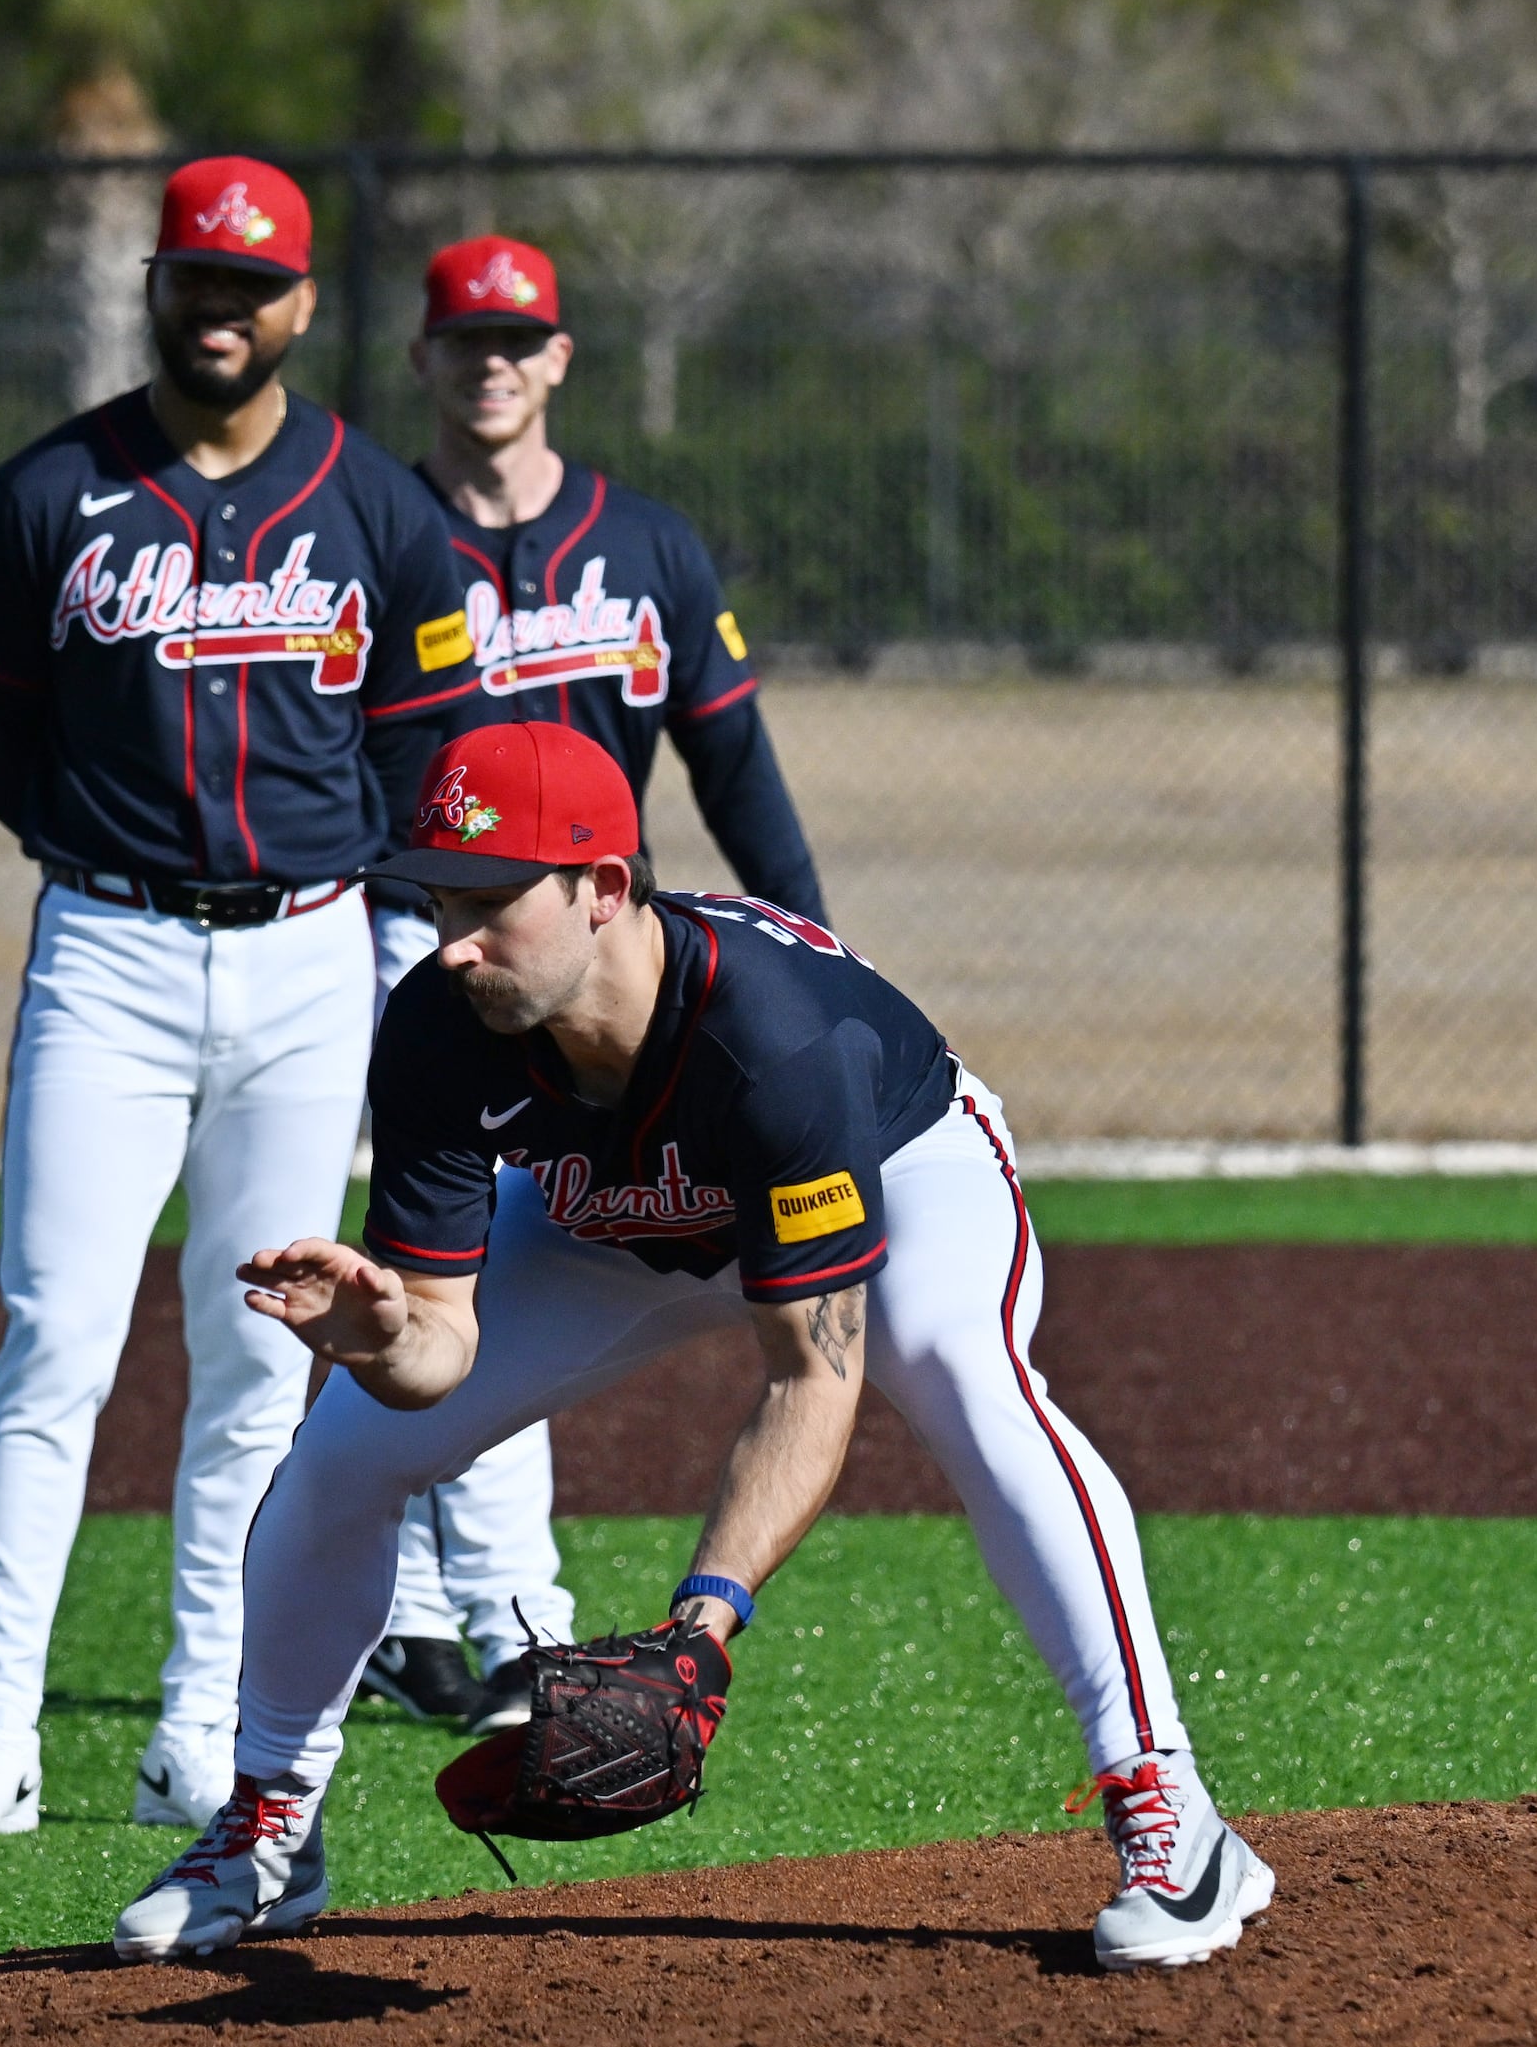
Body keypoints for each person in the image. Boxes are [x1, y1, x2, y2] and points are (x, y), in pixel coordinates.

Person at [113, 721, 1268, 1970]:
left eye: (494, 901)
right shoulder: (445, 1021)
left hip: (895, 1162)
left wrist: (698, 1632)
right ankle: (270, 1824)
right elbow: (440, 1347)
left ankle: (1169, 1808)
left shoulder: (775, 1040)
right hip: (608, 1212)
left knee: (961, 1372)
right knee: (342, 1445)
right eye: (442, 897)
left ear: (605, 888)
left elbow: (812, 1373)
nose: (456, 939)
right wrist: (387, 1338)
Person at [0, 156, 482, 1843]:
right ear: (157, 285)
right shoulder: (48, 493)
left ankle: (197, 1719)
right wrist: (97, 846)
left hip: (312, 957)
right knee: (55, 1340)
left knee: (259, 1351)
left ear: (301, 305)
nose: (222, 311)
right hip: (111, 949)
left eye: (255, 287)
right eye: (198, 280)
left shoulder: (376, 503)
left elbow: (424, 735)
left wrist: (355, 874)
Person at [351, 232, 836, 1738]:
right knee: (410, 1261)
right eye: (464, 338)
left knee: (503, 1257)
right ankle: (416, 1613)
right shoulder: (375, 521)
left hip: (596, 938)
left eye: (520, 337)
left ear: (559, 357)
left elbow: (732, 760)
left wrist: (806, 934)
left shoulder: (649, 549)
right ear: (422, 359)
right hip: (411, 930)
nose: (491, 361)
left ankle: (502, 1608)